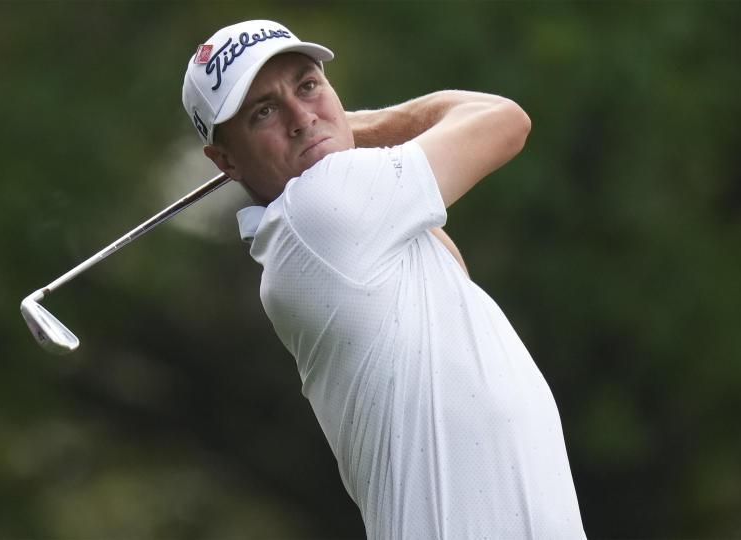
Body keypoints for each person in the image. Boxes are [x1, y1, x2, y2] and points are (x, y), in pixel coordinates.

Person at [182, 19, 585, 539]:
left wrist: (334, 133)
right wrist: (351, 127)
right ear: (225, 161)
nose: (301, 118)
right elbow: (502, 120)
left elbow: (448, 261)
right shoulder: (322, 209)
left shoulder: (349, 229)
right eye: (264, 112)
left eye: (308, 86)